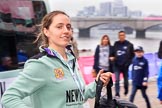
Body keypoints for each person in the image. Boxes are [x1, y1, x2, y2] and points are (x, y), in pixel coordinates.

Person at [1, 10, 112, 108]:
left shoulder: (71, 60)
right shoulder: (40, 64)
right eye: (59, 27)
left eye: (68, 27)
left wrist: (97, 83)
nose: (66, 31)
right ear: (46, 31)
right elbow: (9, 97)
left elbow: (77, 97)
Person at [113, 31, 134, 97]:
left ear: (125, 36)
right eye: (120, 35)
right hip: (117, 66)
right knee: (117, 80)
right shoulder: (116, 44)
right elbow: (113, 53)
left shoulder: (129, 45)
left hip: (125, 66)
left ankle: (126, 89)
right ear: (118, 36)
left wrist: (129, 63)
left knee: (126, 81)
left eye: (123, 35)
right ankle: (117, 93)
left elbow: (132, 56)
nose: (121, 36)